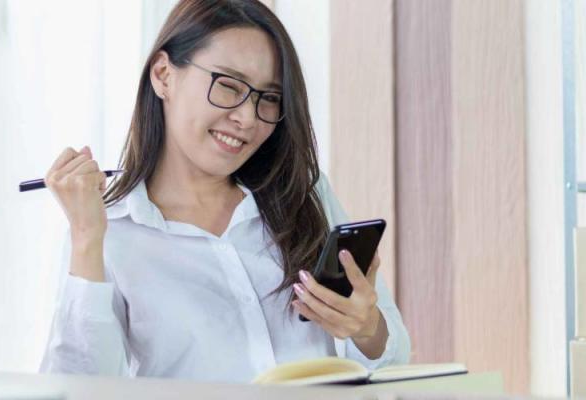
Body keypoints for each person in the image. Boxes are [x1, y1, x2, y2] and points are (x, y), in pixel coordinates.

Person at [39, 0, 410, 383]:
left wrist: (367, 329)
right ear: (164, 75)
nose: (247, 118)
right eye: (229, 86)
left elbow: (394, 361)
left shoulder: (303, 195)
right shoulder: (108, 231)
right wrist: (86, 238)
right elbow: (75, 387)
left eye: (268, 98)